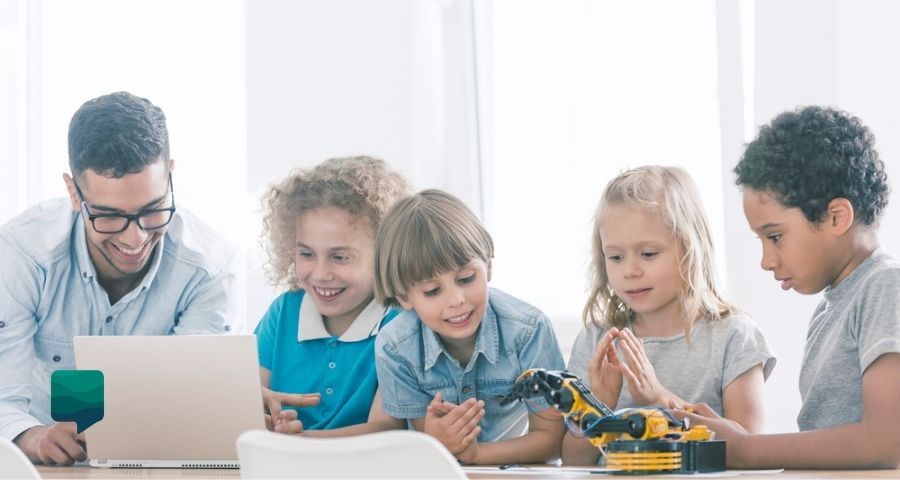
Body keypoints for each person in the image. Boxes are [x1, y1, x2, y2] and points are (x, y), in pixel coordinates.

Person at [0, 91, 241, 465]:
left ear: (170, 176)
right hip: (41, 466)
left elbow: (196, 404)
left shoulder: (210, 270)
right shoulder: (22, 255)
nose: (135, 238)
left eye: (153, 209)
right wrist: (32, 437)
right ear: (74, 193)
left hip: (157, 462)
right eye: (109, 216)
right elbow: (3, 398)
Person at [679, 106, 900, 469]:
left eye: (775, 236)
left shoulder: (886, 286)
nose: (766, 260)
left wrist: (743, 448)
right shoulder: (831, 307)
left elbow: (886, 442)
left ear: (836, 217)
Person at [563, 165, 775, 465]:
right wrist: (598, 408)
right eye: (616, 257)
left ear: (691, 249)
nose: (630, 270)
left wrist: (659, 400)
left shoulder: (734, 337)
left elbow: (750, 448)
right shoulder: (595, 339)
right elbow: (574, 461)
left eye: (648, 254)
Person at [373, 189, 567, 465]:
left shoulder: (528, 331)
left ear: (488, 266)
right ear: (404, 297)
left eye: (466, 278)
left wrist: (475, 455)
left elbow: (553, 440)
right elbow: (424, 446)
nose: (456, 300)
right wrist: (437, 439)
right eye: (432, 291)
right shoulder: (395, 346)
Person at [255, 156, 410, 436]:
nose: (320, 273)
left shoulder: (402, 324)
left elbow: (387, 428)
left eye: (339, 257)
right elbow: (247, 396)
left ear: (385, 253)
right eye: (306, 254)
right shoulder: (284, 312)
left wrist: (298, 442)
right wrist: (255, 407)